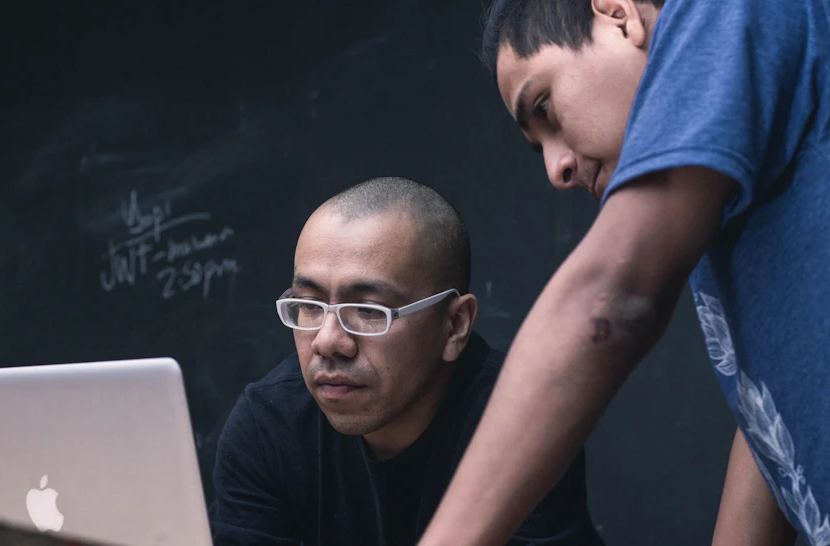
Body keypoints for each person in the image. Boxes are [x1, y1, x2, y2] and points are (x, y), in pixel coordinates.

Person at [416, 0, 830, 545]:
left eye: (545, 107)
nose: (556, 168)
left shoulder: (724, 11)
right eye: (538, 146)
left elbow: (608, 302)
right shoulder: (718, 191)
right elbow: (768, 413)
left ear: (617, 13)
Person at [209, 177, 605, 545]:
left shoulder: (522, 424)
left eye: (368, 311)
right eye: (309, 305)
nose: (328, 341)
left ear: (454, 326)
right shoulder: (269, 425)